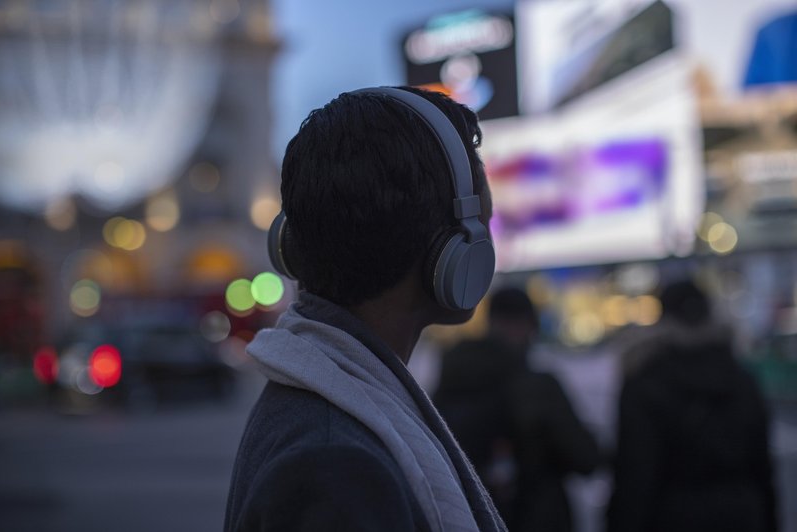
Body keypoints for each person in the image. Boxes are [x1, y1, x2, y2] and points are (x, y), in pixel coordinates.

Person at [224, 86, 506, 532]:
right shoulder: (338, 470)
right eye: (484, 226)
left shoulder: (312, 409)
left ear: (290, 245)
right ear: (453, 254)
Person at [606, 279, 779, 532]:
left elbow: (635, 475)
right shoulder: (740, 378)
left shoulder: (644, 381)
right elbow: (762, 466)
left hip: (670, 516)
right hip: (741, 513)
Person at [433, 287, 600, 532]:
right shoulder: (537, 387)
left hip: (472, 519)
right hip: (538, 519)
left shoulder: (453, 379)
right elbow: (586, 459)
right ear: (529, 325)